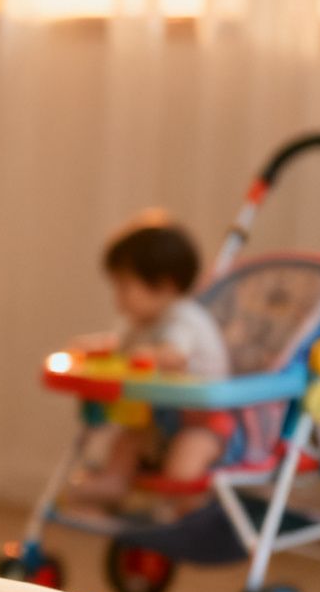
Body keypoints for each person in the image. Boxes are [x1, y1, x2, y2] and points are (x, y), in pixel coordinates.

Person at [65, 211, 235, 508]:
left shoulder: (183, 318)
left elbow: (173, 355)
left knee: (183, 469)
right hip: (159, 418)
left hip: (205, 422)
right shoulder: (141, 323)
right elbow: (120, 349)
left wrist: (149, 358)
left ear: (165, 284)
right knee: (127, 438)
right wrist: (93, 350)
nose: (117, 298)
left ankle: (197, 519)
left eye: (124, 286)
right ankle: (114, 481)